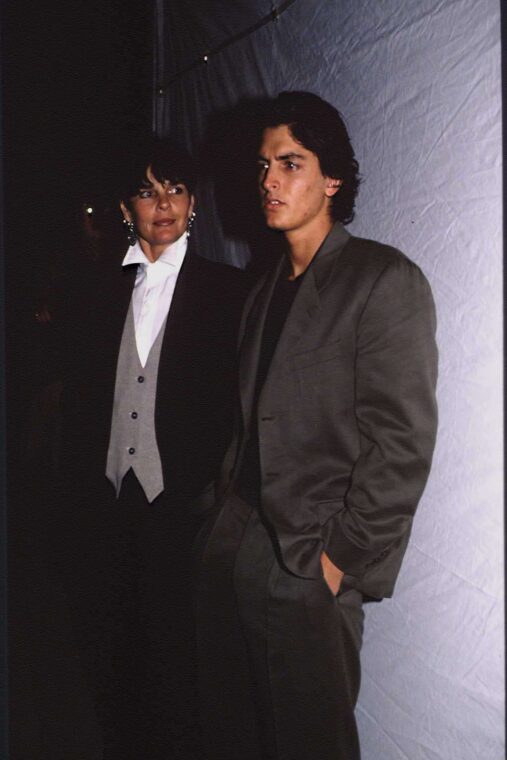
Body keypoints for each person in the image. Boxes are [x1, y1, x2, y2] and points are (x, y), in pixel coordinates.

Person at [195, 91, 438, 760]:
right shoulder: (263, 290)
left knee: (310, 743)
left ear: (332, 179)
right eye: (263, 165)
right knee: (238, 729)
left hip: (307, 563)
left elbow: (401, 445)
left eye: (290, 163)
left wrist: (338, 563)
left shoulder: (381, 280)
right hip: (235, 541)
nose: (268, 180)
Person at [56, 137, 247, 760]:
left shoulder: (230, 291)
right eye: (146, 190)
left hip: (185, 505)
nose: (162, 203)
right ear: (125, 207)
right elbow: (81, 402)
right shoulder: (94, 292)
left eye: (175, 189)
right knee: (113, 651)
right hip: (108, 502)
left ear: (193, 205)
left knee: (181, 661)